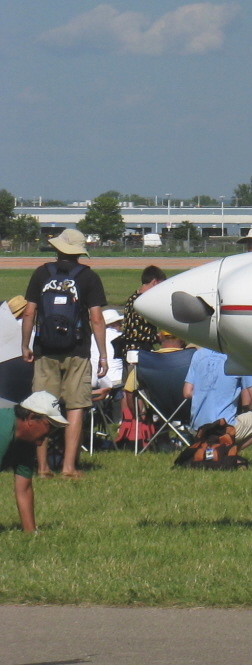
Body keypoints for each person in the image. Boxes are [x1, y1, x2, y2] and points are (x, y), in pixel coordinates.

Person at [19, 228, 108, 478]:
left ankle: (43, 467)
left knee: (41, 407)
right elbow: (97, 319)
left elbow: (29, 312)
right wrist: (102, 354)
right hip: (77, 350)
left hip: (45, 349)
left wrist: (26, 345)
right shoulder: (89, 278)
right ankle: (69, 467)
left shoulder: (41, 273)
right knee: (76, 406)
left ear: (57, 249)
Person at [183, 347, 252, 450]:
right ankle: (229, 450)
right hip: (224, 429)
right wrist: (246, 411)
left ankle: (216, 449)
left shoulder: (198, 354)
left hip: (197, 430)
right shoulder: (240, 356)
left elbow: (187, 392)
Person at [1, 392, 66, 532]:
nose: (51, 433)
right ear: (31, 419)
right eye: (50, 426)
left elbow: (24, 489)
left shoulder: (26, 441)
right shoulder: (3, 432)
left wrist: (31, 534)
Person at [119, 266, 167, 355]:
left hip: (128, 349)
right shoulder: (145, 302)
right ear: (155, 282)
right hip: (140, 352)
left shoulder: (132, 299)